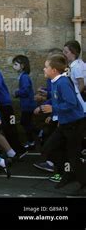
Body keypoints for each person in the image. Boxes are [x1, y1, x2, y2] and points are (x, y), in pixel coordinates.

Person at [40, 54, 86, 189]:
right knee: (49, 148)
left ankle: (78, 178)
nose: (44, 69)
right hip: (65, 123)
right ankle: (68, 174)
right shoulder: (56, 82)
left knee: (73, 155)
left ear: (54, 70)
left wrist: (53, 109)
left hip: (75, 124)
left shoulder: (63, 82)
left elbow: (71, 103)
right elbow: (58, 98)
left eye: (46, 67)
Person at [12, 55, 38, 151]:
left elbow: (26, 91)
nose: (14, 66)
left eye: (15, 64)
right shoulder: (22, 76)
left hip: (28, 105)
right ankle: (32, 140)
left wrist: (17, 93)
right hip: (26, 104)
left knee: (25, 122)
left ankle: (34, 139)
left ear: (22, 66)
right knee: (26, 122)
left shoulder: (24, 77)